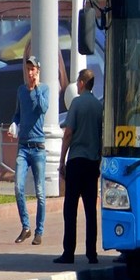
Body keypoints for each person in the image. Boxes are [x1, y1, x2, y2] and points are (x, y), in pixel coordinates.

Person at [53, 69, 103, 264]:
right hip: (92, 163)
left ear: (82, 83)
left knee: (70, 209)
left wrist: (61, 160)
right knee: (91, 210)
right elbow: (100, 136)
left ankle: (69, 253)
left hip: (76, 161)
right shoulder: (98, 107)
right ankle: (92, 253)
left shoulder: (76, 103)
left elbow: (68, 133)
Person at [8, 55, 49, 245]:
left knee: (40, 192)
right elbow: (18, 114)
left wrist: (37, 87)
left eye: (33, 69)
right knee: (18, 187)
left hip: (38, 147)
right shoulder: (20, 91)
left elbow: (42, 108)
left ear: (38, 71)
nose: (30, 72)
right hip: (23, 147)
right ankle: (26, 226)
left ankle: (39, 231)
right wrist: (13, 125)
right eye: (28, 69)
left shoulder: (45, 89)